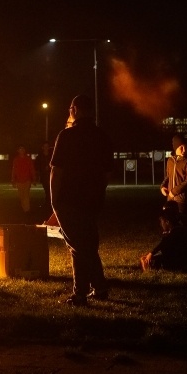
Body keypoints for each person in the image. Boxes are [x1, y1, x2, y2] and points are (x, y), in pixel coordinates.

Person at [50, 94, 113, 306]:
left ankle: (80, 294)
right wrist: (97, 194)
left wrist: (54, 200)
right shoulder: (102, 136)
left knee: (77, 246)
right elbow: (106, 175)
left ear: (75, 109)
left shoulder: (66, 136)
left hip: (69, 198)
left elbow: (56, 171)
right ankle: (100, 287)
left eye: (69, 108)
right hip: (93, 200)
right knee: (88, 244)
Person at [140, 202, 187, 272]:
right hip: (181, 252)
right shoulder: (174, 226)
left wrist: (151, 253)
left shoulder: (181, 226)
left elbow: (165, 242)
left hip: (185, 254)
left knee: (164, 259)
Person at [160, 134, 187, 226]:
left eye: (185, 147)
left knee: (184, 222)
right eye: (181, 147)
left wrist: (174, 191)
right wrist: (163, 186)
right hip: (170, 198)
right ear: (175, 147)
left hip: (182, 199)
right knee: (171, 222)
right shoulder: (170, 161)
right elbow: (168, 176)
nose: (184, 150)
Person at [11, 145, 36, 216]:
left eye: (22, 149)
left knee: (26, 195)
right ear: (18, 151)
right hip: (19, 180)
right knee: (21, 195)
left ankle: (27, 210)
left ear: (24, 151)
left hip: (27, 179)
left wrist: (34, 178)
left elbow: (32, 169)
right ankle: (24, 209)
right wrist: (13, 179)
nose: (21, 150)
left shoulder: (28, 159)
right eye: (20, 149)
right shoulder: (16, 160)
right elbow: (14, 170)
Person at [35, 141, 53, 211]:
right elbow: (37, 166)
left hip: (51, 176)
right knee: (47, 190)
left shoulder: (52, 155)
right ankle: (47, 203)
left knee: (51, 191)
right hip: (44, 176)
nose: (46, 148)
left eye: (47, 146)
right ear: (42, 148)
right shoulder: (39, 157)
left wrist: (50, 167)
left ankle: (50, 204)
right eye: (45, 146)